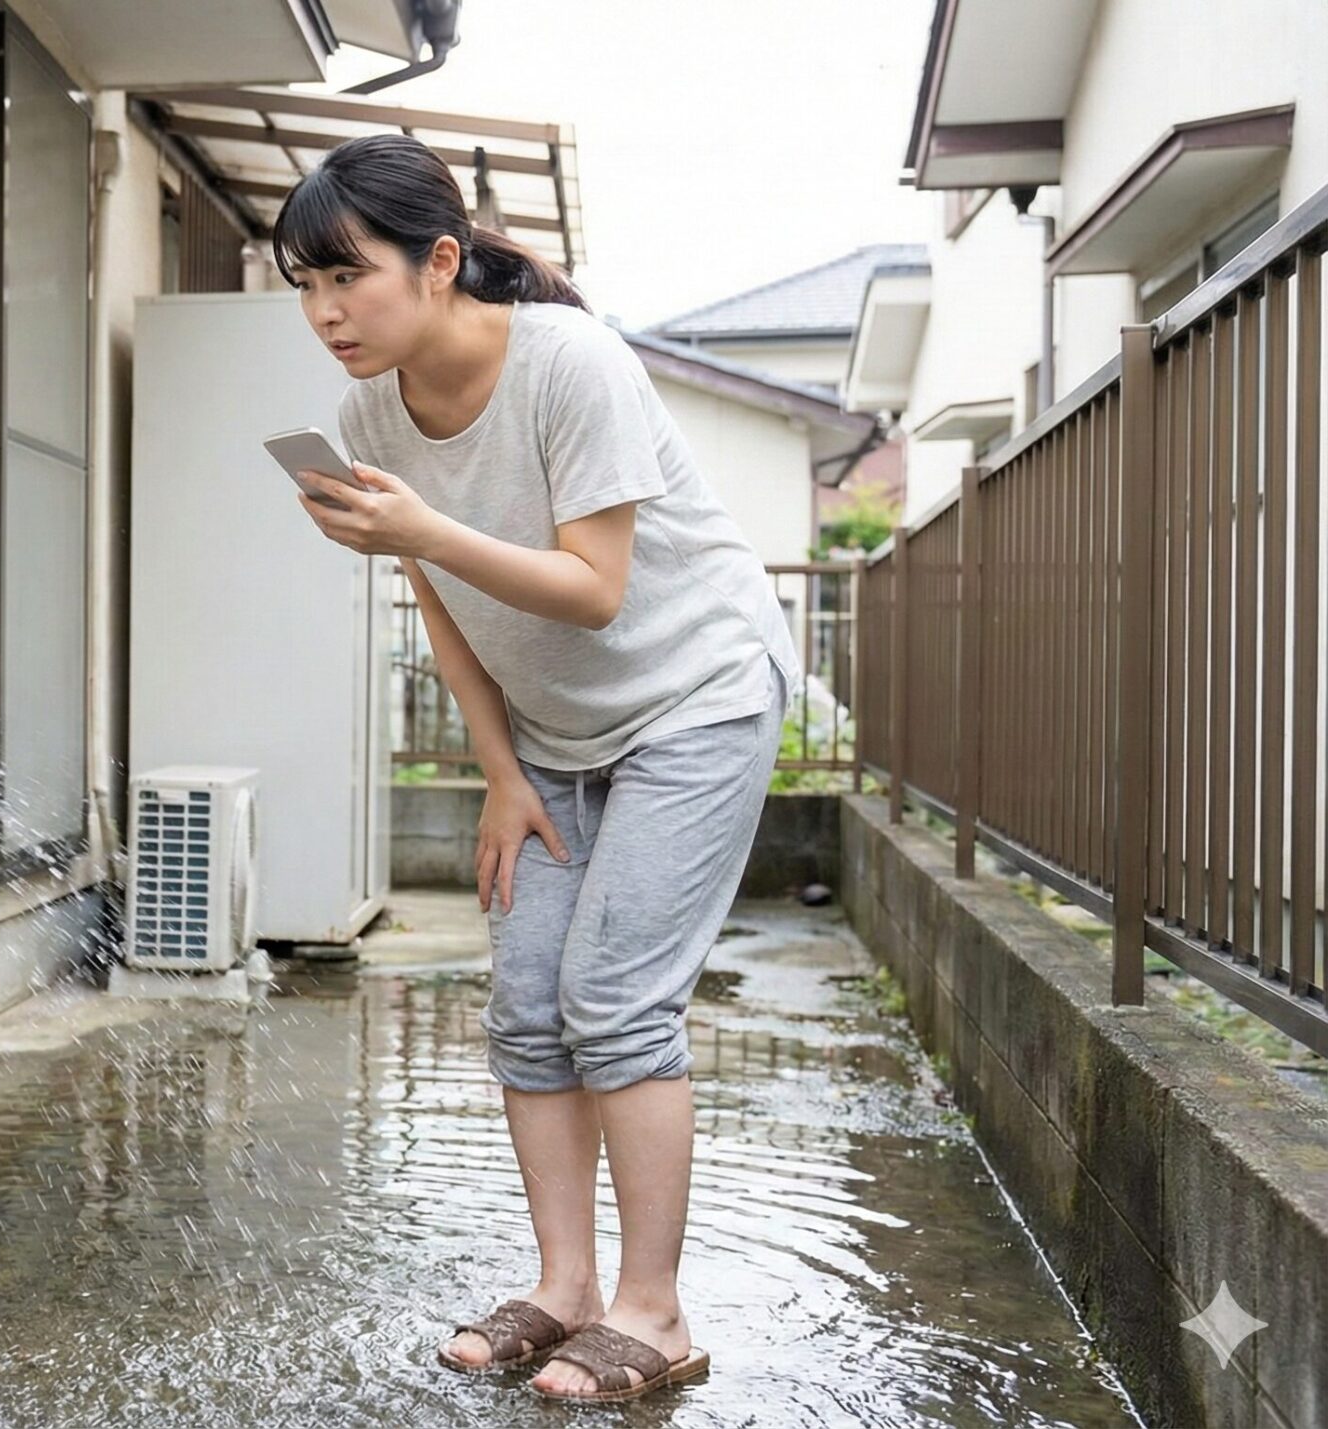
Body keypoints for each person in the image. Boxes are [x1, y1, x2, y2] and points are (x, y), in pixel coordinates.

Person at [273, 133, 799, 1404]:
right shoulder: (363, 413)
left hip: (695, 693)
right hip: (554, 734)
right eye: (303, 284)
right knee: (526, 1005)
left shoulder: (570, 363)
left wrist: (417, 520)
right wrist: (500, 771)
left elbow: (596, 589)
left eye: (347, 276)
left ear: (441, 261)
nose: (325, 311)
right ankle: (565, 1289)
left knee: (616, 999)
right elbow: (440, 605)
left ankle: (655, 1310)